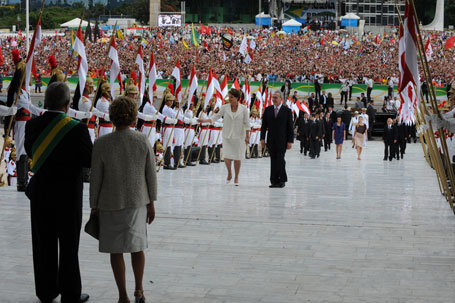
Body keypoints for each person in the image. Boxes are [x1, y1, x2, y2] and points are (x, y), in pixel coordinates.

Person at [24, 82, 92, 303]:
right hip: (67, 196)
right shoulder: (77, 127)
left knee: (43, 243)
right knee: (69, 245)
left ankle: (46, 290)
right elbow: (88, 160)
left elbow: (29, 150)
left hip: (42, 195)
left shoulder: (32, 126)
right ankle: (70, 293)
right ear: (67, 103)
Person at [90, 96, 157, 303]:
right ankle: (139, 290)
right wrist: (151, 202)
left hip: (110, 202)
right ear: (134, 117)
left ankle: (122, 295)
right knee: (138, 247)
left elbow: (96, 179)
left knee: (116, 250)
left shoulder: (101, 143)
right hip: (137, 201)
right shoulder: (142, 140)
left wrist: (94, 206)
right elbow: (150, 174)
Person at [198, 89, 251, 186]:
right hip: (227, 135)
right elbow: (216, 117)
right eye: (229, 97)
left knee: (237, 157)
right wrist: (205, 121)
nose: (229, 99)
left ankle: (236, 176)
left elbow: (247, 123)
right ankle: (229, 173)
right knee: (227, 155)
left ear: (237, 98)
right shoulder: (224, 107)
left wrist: (248, 136)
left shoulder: (244, 109)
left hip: (239, 136)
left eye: (232, 97)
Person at [260, 91, 293, 188]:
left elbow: (290, 127)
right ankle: (274, 181)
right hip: (271, 140)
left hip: (282, 140)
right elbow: (264, 126)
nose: (273, 99)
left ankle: (282, 180)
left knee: (280, 160)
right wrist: (262, 138)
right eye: (273, 97)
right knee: (273, 160)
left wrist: (290, 141)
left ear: (281, 99)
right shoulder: (268, 110)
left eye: (275, 97)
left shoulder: (287, 111)